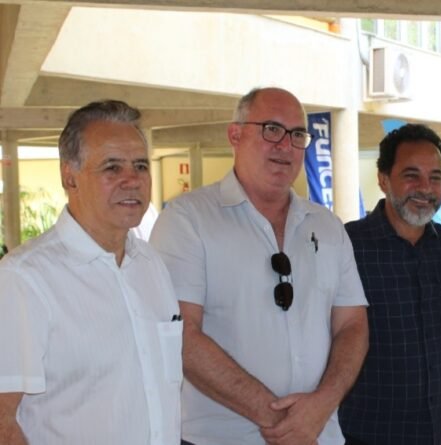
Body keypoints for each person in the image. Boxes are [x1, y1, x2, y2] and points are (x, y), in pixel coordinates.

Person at [150, 87, 368, 445]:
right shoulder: (187, 221)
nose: (285, 145)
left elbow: (353, 324)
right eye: (271, 129)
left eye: (297, 134)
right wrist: (282, 421)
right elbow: (182, 336)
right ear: (235, 135)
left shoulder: (327, 226)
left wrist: (322, 405)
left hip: (318, 435)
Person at [0, 100, 181, 444]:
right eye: (112, 167)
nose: (132, 180)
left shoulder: (150, 265)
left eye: (141, 166)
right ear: (69, 176)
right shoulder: (24, 279)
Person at [339, 124, 441, 444]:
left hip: (438, 431)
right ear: (383, 179)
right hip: (367, 433)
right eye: (411, 175)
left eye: (435, 177)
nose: (425, 188)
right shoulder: (348, 246)